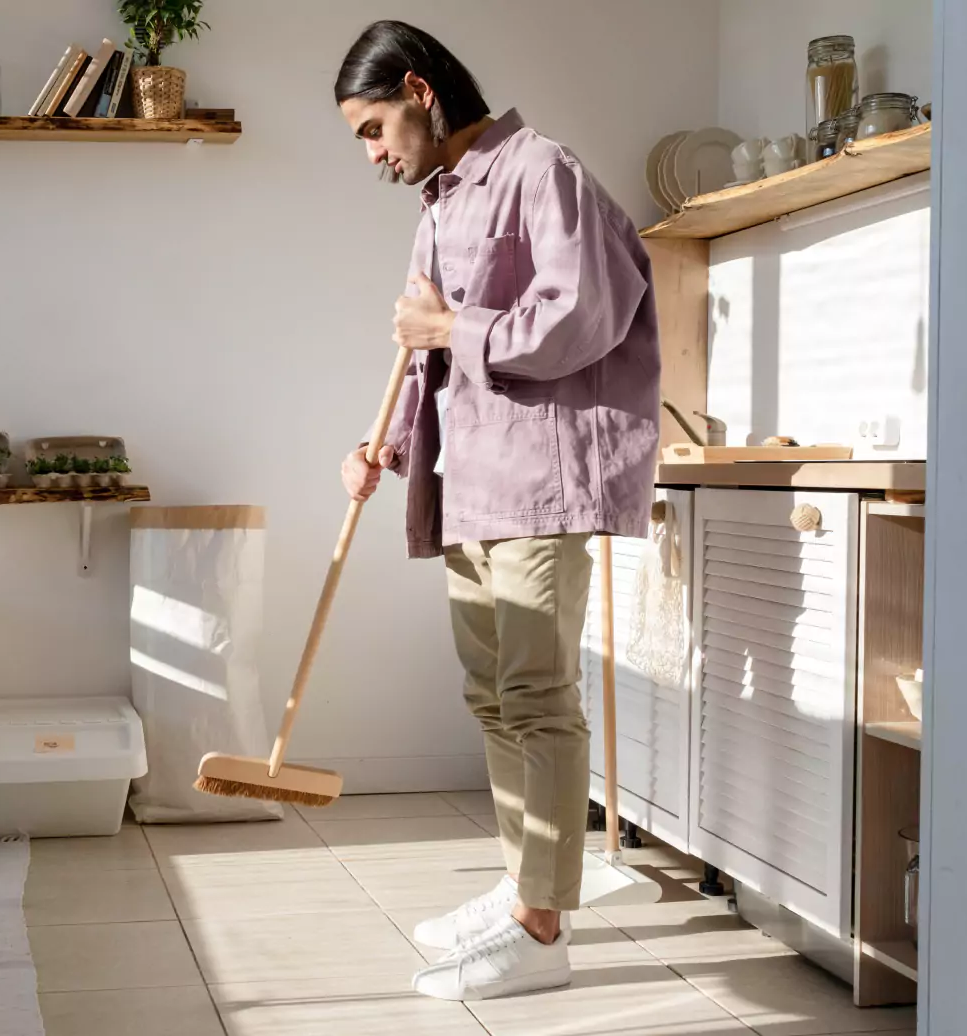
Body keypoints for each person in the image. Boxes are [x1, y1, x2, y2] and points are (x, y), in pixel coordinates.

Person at [334, 21, 662, 1002]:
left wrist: (452, 324)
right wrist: (383, 446)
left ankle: (543, 925)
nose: (374, 153)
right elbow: (420, 355)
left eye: (375, 126)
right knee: (493, 699)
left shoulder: (540, 170)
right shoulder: (438, 207)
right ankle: (525, 881)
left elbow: (585, 313)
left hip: (540, 478)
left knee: (539, 699)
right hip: (468, 482)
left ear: (421, 90)